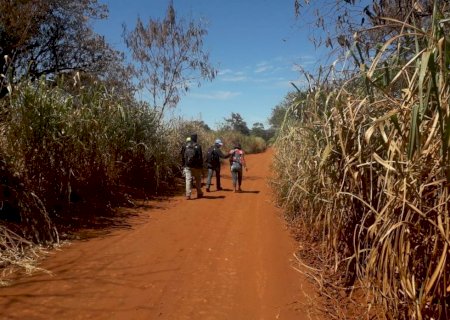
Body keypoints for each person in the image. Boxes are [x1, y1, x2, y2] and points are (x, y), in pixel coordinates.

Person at [181, 134, 204, 200]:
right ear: (196, 138)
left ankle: (188, 195)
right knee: (198, 180)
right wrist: (201, 166)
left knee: (188, 180)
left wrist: (183, 165)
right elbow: (200, 157)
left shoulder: (185, 146)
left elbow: (182, 156)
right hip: (196, 166)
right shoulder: (198, 146)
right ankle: (199, 193)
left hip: (187, 166)